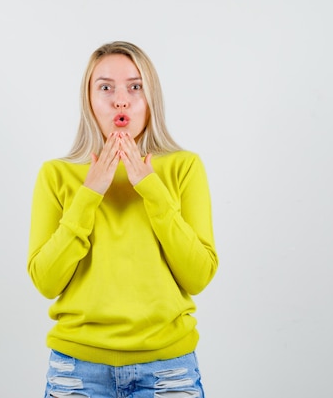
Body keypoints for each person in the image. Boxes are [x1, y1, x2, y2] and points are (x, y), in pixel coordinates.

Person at [27, 41, 218, 398]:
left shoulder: (184, 167)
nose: (120, 100)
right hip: (77, 370)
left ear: (151, 98)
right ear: (88, 99)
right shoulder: (56, 174)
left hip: (168, 369)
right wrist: (90, 193)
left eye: (135, 86)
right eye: (105, 87)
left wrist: (151, 189)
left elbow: (199, 274)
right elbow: (46, 281)